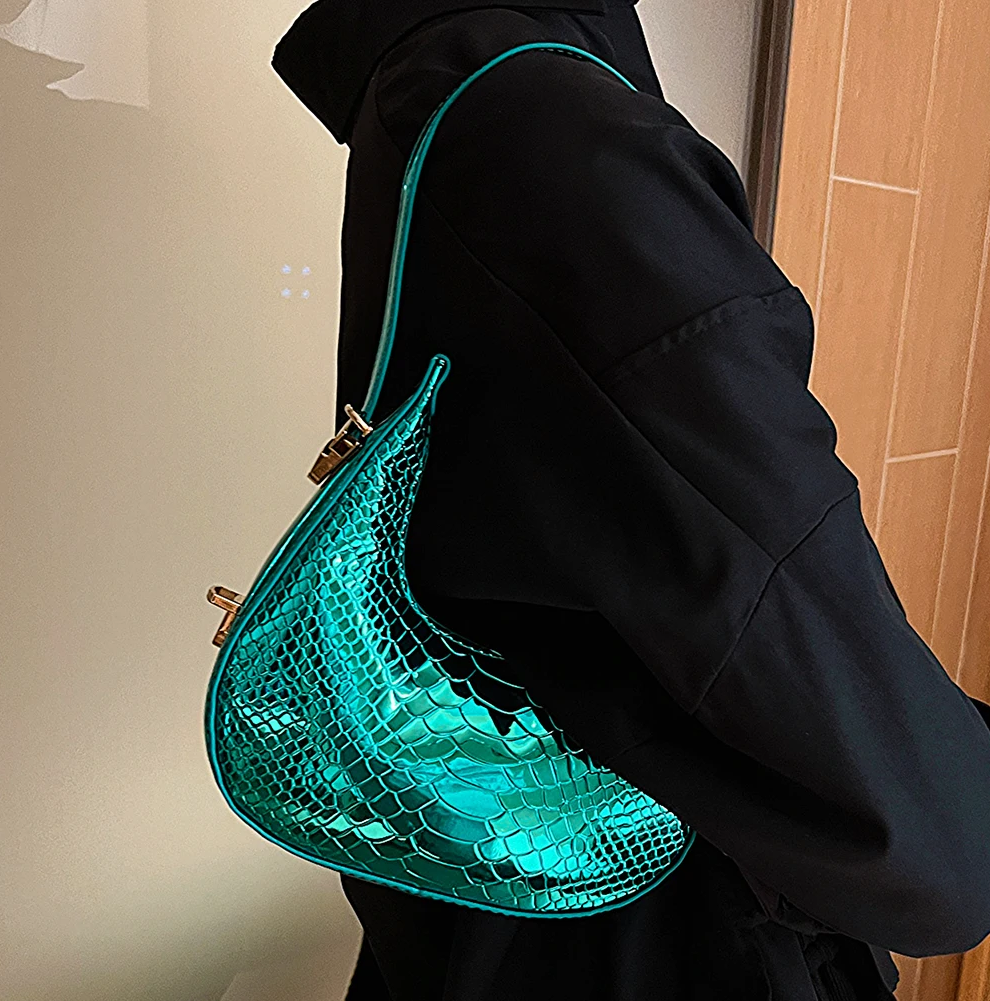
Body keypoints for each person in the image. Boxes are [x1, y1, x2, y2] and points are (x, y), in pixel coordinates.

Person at [271, 2, 990, 998]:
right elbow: (930, 848)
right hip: (655, 944)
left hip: (498, 904)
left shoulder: (444, 100)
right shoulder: (551, 140)